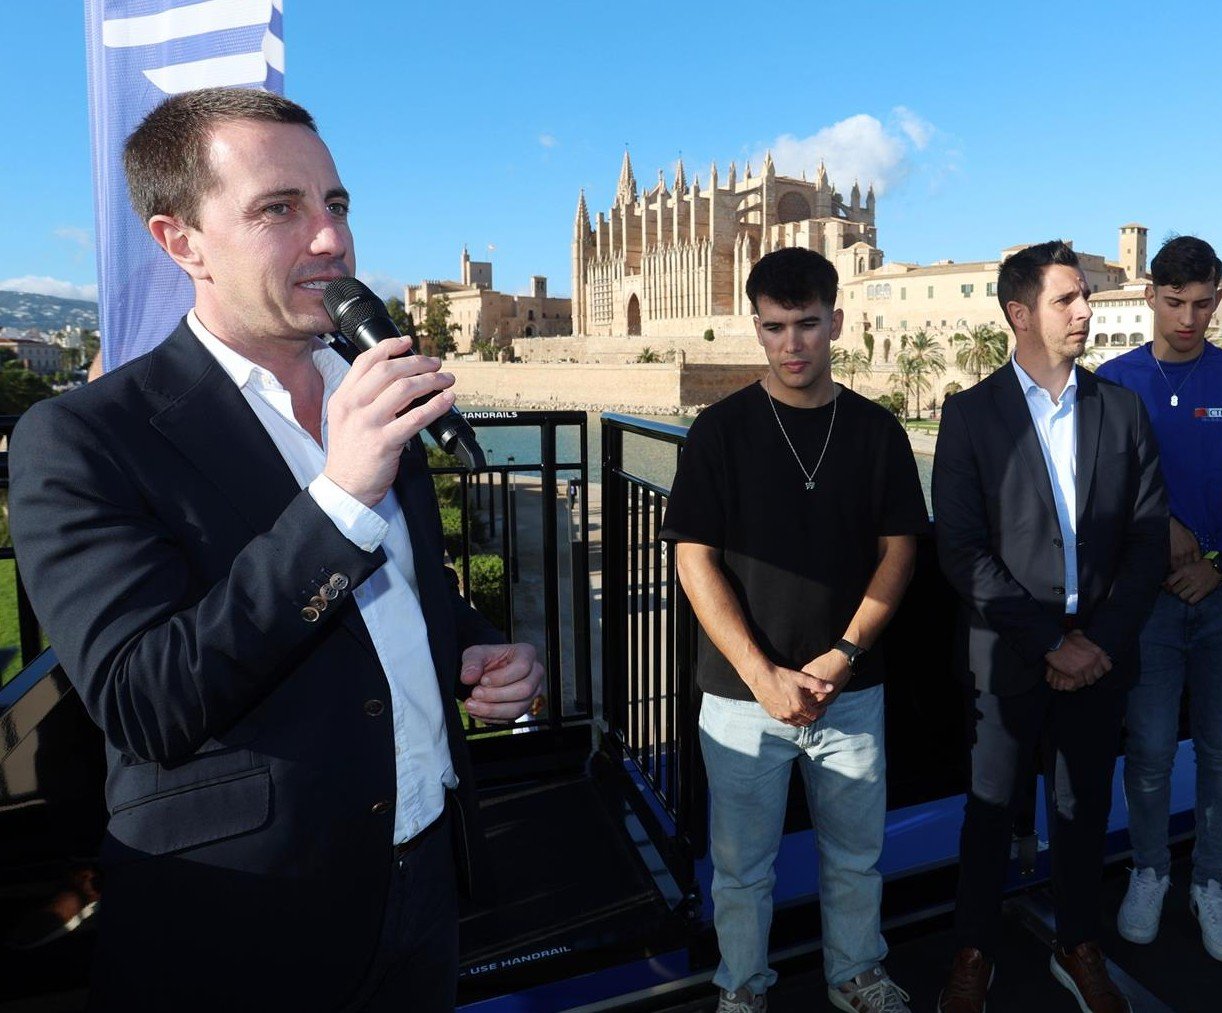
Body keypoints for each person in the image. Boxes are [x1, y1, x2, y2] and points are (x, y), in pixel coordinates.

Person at [7, 88, 545, 1011]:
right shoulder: (84, 438)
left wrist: (473, 645)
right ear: (183, 243)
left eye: (334, 204)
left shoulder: (370, 391)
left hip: (423, 877)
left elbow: (401, 592)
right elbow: (147, 700)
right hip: (247, 918)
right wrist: (339, 495)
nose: (331, 238)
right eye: (278, 209)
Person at [661, 246, 928, 1013]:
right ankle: (741, 986)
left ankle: (855, 972)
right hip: (744, 700)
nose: (792, 343)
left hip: (851, 691)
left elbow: (900, 549)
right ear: (756, 328)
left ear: (835, 320)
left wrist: (844, 654)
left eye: (807, 323)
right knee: (741, 866)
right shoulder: (718, 432)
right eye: (775, 326)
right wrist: (763, 675)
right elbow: (693, 560)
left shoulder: (876, 431)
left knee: (856, 856)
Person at [932, 241, 1167, 1013]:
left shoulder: (1120, 409)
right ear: (1020, 314)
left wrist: (1097, 641)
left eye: (1086, 297)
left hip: (1099, 654)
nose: (1087, 311)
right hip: (1008, 657)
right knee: (989, 811)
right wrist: (1049, 641)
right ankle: (974, 950)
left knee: (1083, 807)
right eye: (1069, 299)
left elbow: (1145, 537)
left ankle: (1078, 941)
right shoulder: (970, 415)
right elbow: (961, 550)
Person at [1095, 236, 1222, 961]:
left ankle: (1212, 880)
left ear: (1217, 299)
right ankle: (1150, 869)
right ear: (1149, 297)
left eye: (1202, 304)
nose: (1189, 318)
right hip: (1146, 602)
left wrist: (1219, 563)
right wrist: (1158, 525)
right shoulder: (1111, 380)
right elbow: (1099, 494)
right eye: (1175, 303)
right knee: (1152, 749)